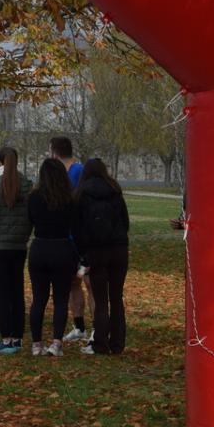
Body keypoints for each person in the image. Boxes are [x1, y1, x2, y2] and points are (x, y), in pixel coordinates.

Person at [72, 158, 131, 355]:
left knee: (100, 298)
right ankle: (117, 342)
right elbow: (125, 221)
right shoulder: (115, 191)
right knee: (116, 297)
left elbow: (77, 227)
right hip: (118, 248)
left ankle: (100, 342)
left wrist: (83, 253)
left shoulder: (81, 193)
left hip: (96, 250)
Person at [0, 146, 32, 354]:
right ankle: (18, 337)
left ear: (0, 162)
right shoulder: (27, 185)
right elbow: (30, 215)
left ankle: (6, 337)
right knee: (17, 290)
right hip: (19, 245)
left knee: (2, 293)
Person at [26, 158, 79, 356]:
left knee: (39, 298)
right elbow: (75, 224)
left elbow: (30, 220)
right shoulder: (69, 198)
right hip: (62, 247)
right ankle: (56, 342)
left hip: (40, 247)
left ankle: (36, 343)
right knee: (61, 299)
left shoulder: (34, 197)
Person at [50, 136, 90, 342]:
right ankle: (79, 326)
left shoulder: (78, 171)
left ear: (54, 153)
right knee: (73, 283)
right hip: (66, 237)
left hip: (81, 237)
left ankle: (97, 329)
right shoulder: (62, 173)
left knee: (90, 282)